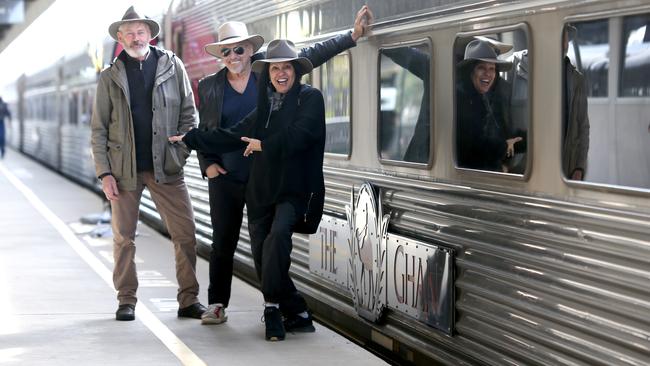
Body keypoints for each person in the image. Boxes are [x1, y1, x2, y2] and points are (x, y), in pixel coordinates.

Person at [196, 6, 372, 325]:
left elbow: (311, 55)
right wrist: (207, 163)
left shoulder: (268, 74)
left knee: (266, 248)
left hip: (263, 177)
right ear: (220, 55)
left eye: (239, 49)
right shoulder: (209, 87)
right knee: (222, 242)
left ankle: (275, 306)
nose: (233, 55)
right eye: (227, 51)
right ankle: (218, 303)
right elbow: (209, 130)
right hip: (226, 177)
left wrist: (351, 36)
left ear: (251, 50)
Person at [170, 39, 325, 341]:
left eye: (286, 68)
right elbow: (233, 134)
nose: (281, 74)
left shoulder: (310, 98)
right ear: (267, 74)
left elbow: (301, 135)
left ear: (296, 71)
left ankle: (272, 308)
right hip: (263, 192)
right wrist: (191, 139)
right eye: (275, 68)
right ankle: (297, 311)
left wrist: (263, 145)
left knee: (277, 237)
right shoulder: (265, 106)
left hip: (296, 192)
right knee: (264, 254)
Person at [90, 6, 206, 321]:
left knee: (185, 234)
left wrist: (179, 154)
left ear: (149, 34)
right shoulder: (109, 76)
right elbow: (99, 129)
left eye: (140, 31)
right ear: (120, 36)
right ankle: (126, 299)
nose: (135, 37)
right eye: (128, 32)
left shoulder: (172, 65)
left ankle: (188, 300)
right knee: (123, 238)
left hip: (166, 167)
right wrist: (104, 173)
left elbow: (188, 113)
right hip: (123, 171)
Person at [456, 39, 524, 172]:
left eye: (492, 68)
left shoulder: (481, 96)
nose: (488, 73)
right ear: (470, 71)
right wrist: (503, 148)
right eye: (481, 67)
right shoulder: (461, 98)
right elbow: (472, 147)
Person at [562, 24, 590, 180]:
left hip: (567, 166)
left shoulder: (577, 79)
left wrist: (579, 166)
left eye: (564, 39)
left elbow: (583, 126)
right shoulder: (534, 72)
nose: (562, 44)